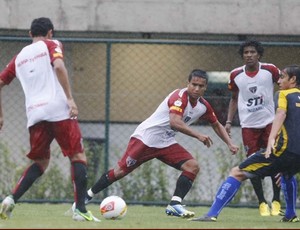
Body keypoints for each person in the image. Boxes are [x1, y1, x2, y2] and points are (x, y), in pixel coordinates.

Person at [75, 69, 239, 218]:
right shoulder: (179, 97)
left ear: (205, 88)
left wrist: (229, 143)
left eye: (200, 86)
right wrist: (198, 135)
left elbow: (216, 124)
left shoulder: (203, 106)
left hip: (166, 142)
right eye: (193, 84)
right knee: (119, 172)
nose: (196, 88)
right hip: (146, 139)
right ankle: (86, 197)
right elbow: (175, 122)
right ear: (187, 84)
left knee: (192, 166)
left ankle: (174, 204)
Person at [0, 17, 99, 222]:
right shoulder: (52, 44)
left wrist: (1, 114)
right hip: (58, 110)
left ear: (30, 34)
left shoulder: (18, 58)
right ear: (50, 33)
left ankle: (11, 198)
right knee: (78, 156)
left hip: (34, 115)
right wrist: (70, 99)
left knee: (41, 162)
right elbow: (60, 67)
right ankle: (80, 209)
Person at [191, 64, 300, 223]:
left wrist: (271, 139)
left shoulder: (283, 94)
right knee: (287, 175)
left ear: (293, 79)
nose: (279, 80)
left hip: (282, 149)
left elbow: (281, 113)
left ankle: (211, 214)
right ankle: (290, 214)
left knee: (237, 172)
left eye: (282, 77)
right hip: (297, 154)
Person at [224, 40, 282, 216]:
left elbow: (284, 86)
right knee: (252, 164)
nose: (249, 55)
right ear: (242, 55)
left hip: (269, 123)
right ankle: (262, 202)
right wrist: (228, 121)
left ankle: (277, 200)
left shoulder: (270, 70)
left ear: (259, 55)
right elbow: (234, 99)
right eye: (246, 52)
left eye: (252, 52)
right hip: (248, 125)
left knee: (274, 159)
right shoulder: (235, 75)